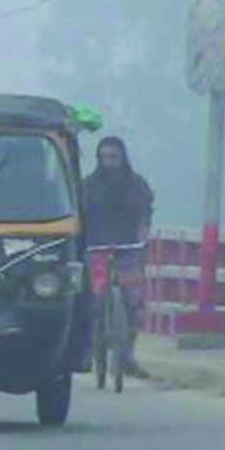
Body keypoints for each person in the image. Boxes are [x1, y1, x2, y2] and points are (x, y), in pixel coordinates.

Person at [84, 136, 154, 377]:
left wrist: (142, 238)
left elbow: (146, 216)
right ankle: (93, 346)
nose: (109, 162)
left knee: (134, 302)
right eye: (104, 157)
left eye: (113, 157)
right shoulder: (88, 187)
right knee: (94, 300)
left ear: (123, 158)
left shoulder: (137, 186)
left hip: (128, 249)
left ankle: (127, 356)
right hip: (96, 250)